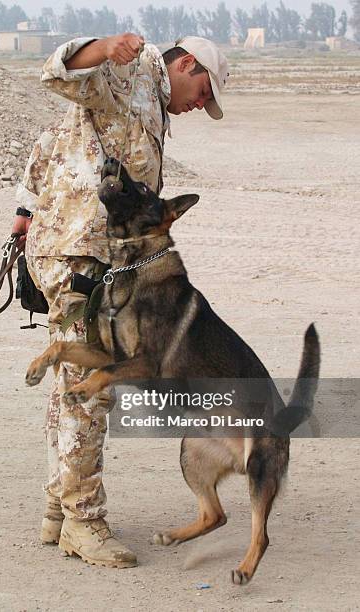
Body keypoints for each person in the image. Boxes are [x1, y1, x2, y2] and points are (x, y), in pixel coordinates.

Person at [12, 33, 229, 569]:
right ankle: (84, 523)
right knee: (91, 389)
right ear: (186, 62)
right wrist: (103, 48)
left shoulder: (152, 99)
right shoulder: (134, 73)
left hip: (85, 253)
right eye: (204, 90)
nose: (201, 104)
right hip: (79, 254)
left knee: (73, 387)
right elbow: (60, 74)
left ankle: (58, 508)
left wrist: (24, 209)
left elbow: (54, 140)